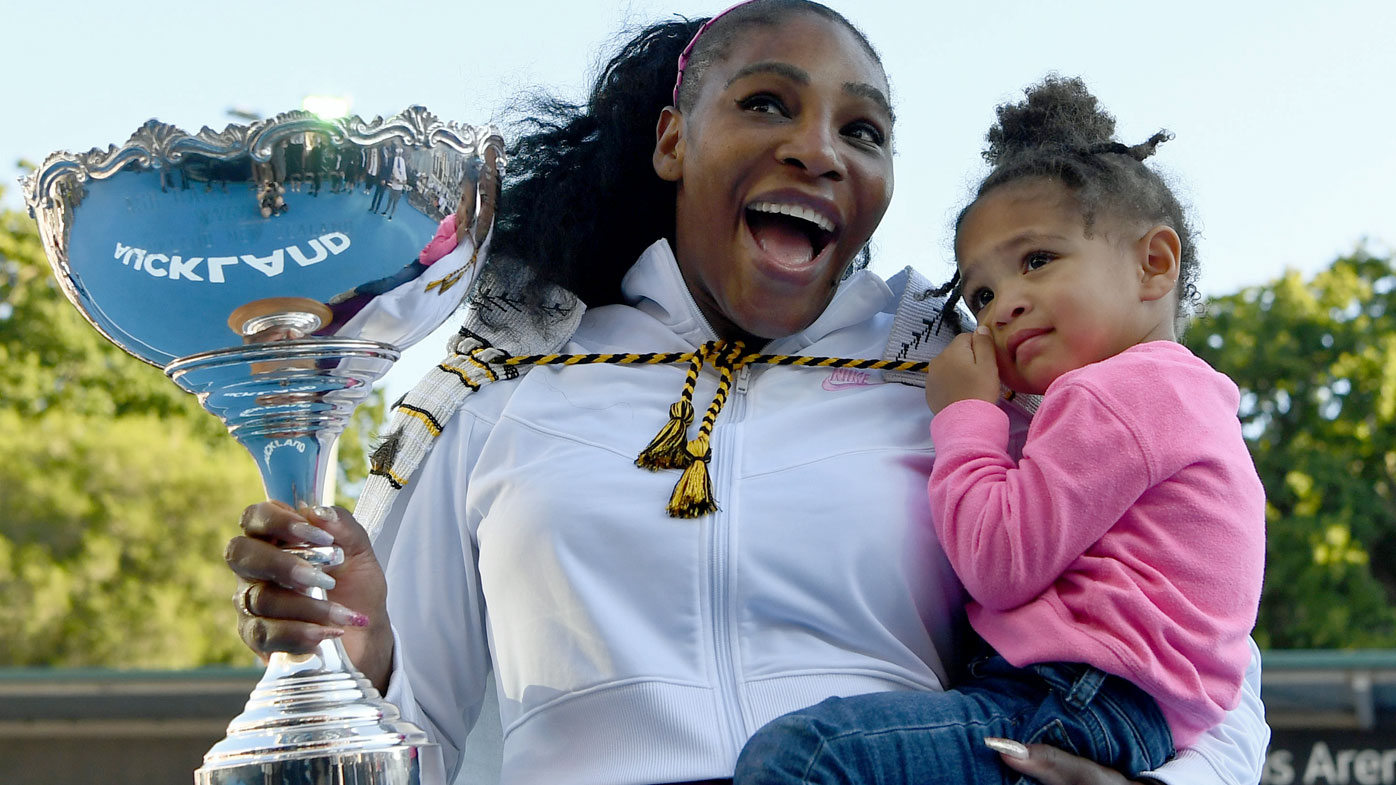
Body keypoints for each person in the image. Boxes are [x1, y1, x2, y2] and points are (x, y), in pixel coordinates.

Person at [223, 4, 1269, 784]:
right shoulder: (506, 376)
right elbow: (418, 731)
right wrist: (357, 657)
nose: (816, 148)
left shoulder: (964, 374)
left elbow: (1193, 631)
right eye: (765, 102)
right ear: (674, 141)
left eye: (862, 131)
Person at [732, 75, 1265, 784]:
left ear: (1154, 262)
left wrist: (964, 415)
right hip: (1123, 713)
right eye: (980, 293)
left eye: (1037, 261)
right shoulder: (1185, 398)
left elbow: (999, 560)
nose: (1003, 305)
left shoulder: (1116, 394)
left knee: (807, 757)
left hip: (1074, 701)